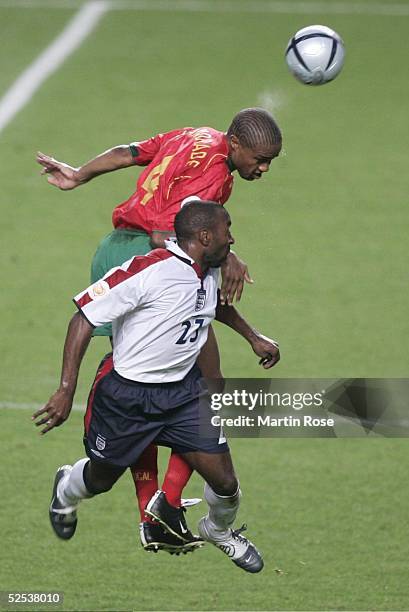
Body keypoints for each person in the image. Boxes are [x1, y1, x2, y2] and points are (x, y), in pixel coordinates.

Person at [36, 108, 282, 549]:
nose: (262, 169)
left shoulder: (199, 135)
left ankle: (160, 506)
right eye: (260, 159)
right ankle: (154, 509)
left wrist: (80, 175)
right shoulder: (210, 181)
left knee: (197, 379)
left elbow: (131, 153)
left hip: (117, 247)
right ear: (237, 144)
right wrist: (227, 257)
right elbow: (165, 236)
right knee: (159, 379)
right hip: (146, 261)